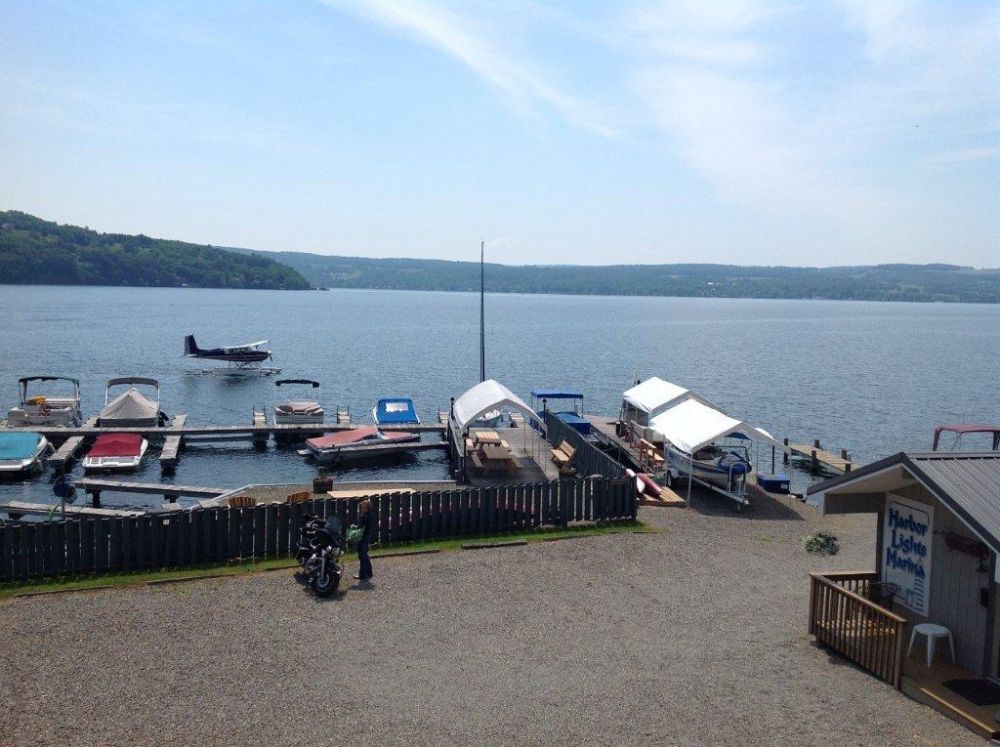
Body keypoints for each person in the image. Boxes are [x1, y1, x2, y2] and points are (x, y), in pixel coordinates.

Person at [353, 499, 374, 582]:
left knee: (362, 556)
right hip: (367, 536)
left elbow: (359, 527)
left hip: (362, 537)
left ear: (366, 507)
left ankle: (362, 575)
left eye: (363, 506)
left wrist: (354, 526)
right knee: (365, 554)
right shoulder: (370, 515)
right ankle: (369, 573)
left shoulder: (364, 516)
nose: (361, 507)